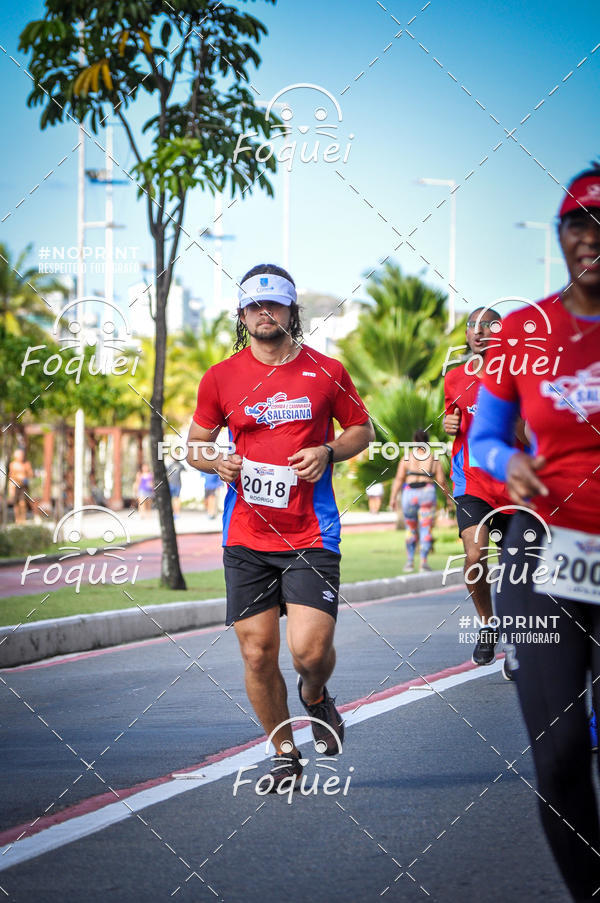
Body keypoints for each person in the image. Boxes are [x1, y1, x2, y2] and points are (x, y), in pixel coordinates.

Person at [186, 263, 374, 791]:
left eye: (274, 304)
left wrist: (328, 450)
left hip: (311, 533)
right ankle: (285, 752)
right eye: (254, 305)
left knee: (309, 653)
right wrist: (216, 461)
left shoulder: (327, 371)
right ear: (242, 315)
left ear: (293, 311)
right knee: (256, 653)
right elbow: (195, 446)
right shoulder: (221, 376)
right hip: (246, 535)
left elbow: (362, 430)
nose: (264, 313)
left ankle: (315, 696)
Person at [470, 164, 600, 901]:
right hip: (547, 548)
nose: (592, 238)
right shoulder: (525, 331)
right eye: (579, 223)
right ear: (560, 236)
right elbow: (485, 436)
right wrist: (507, 461)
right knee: (559, 753)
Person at [443, 309, 515, 669]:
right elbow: (451, 422)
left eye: (488, 325)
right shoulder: (455, 377)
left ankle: (516, 640)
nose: (479, 331)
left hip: (514, 484)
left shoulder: (520, 375)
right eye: (473, 325)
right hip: (472, 481)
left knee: (517, 566)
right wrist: (449, 424)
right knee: (474, 556)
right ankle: (488, 624)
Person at [389, 429, 452, 572]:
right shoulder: (433, 458)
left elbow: (399, 479)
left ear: (414, 441)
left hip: (409, 493)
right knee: (426, 528)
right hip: (426, 493)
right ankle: (423, 562)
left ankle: (409, 562)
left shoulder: (407, 457)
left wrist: (393, 498)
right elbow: (441, 481)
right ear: (427, 442)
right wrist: (448, 499)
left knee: (410, 529)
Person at [8, 448, 34, 525]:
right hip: (15, 485)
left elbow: (31, 474)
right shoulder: (12, 464)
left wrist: (26, 476)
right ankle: (17, 519)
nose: (21, 457)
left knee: (23, 502)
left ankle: (23, 519)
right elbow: (10, 475)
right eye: (20, 455)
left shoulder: (26, 464)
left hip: (24, 486)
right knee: (16, 503)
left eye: (22, 455)